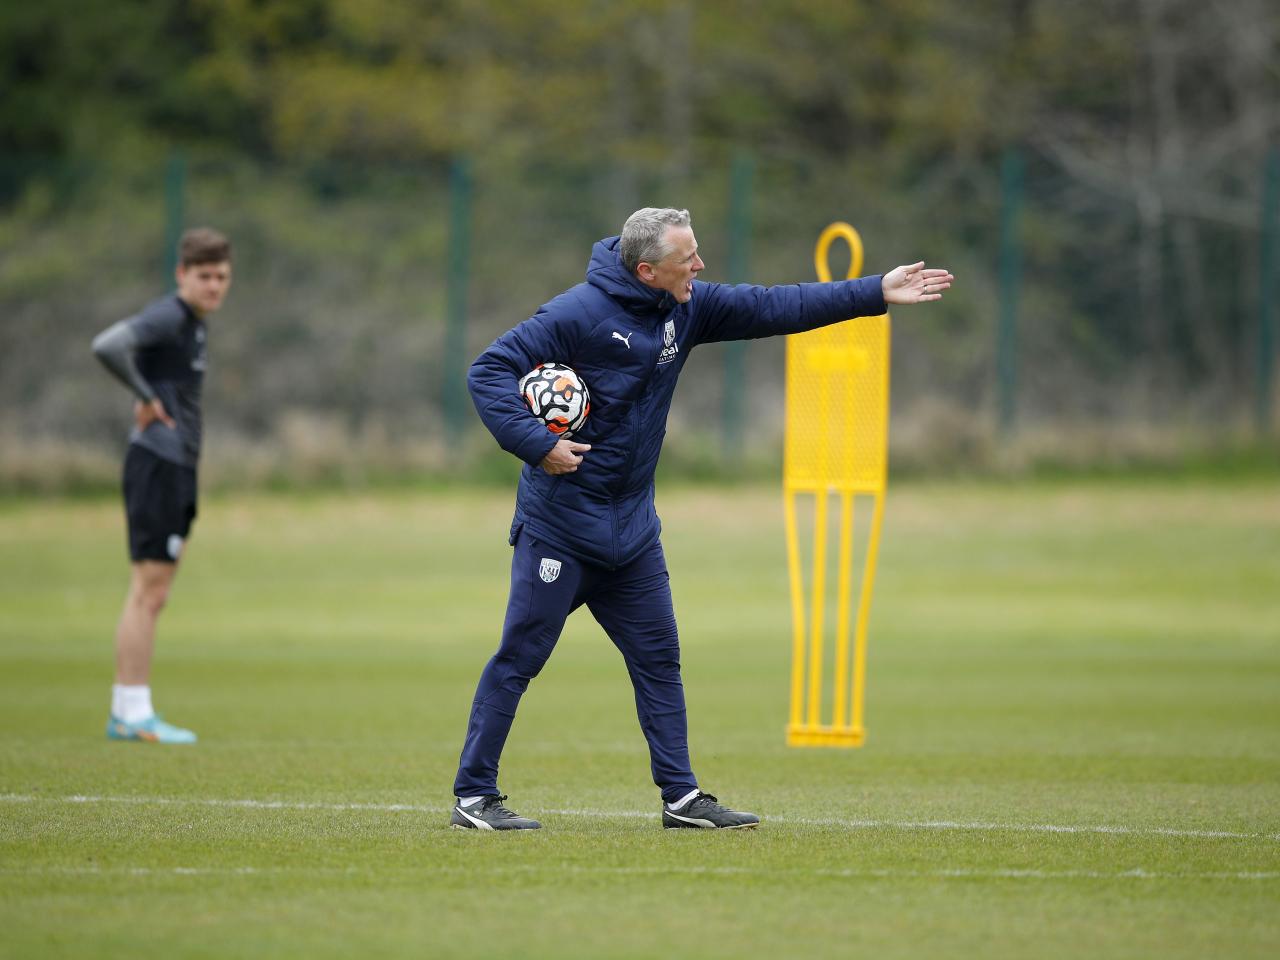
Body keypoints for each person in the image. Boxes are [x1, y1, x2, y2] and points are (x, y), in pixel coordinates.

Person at [451, 208, 952, 830]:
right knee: (521, 657)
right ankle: (474, 797)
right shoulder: (576, 313)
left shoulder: (684, 307)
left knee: (660, 659)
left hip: (632, 533)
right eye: (689, 258)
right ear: (647, 270)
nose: (701, 266)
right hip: (561, 530)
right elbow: (488, 370)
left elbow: (776, 306)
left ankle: (682, 799)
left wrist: (874, 291)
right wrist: (537, 442)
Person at [91, 227, 233, 744]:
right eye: (204, 276)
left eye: (221, 277)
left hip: (176, 467)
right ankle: (130, 710)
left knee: (156, 593)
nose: (213, 286)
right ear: (182, 275)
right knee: (147, 593)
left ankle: (132, 708)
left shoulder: (193, 324)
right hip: (157, 462)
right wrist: (145, 395)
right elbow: (106, 345)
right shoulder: (170, 315)